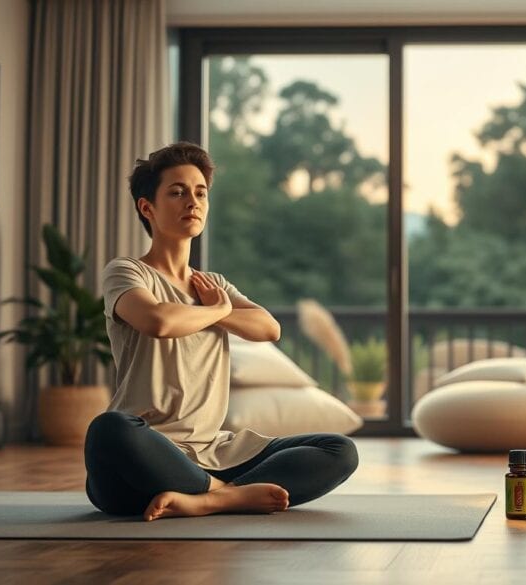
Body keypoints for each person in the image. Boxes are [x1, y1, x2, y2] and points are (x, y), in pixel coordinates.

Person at [84, 142, 358, 522]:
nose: (191, 202)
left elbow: (268, 328)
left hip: (214, 452)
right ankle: (227, 495)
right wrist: (217, 310)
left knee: (338, 449)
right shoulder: (128, 271)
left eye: (200, 193)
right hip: (142, 456)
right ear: (147, 208)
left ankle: (208, 498)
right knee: (109, 427)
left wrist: (218, 307)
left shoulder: (211, 284)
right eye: (177, 192)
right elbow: (158, 321)